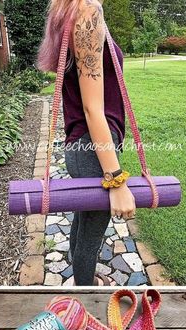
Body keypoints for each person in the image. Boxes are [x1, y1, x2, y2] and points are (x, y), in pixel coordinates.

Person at [37, 0, 136, 286]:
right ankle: (85, 291)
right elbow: (94, 109)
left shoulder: (69, 10)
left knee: (83, 220)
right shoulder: (88, 11)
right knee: (92, 234)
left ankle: (81, 276)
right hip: (93, 150)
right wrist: (116, 181)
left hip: (81, 147)